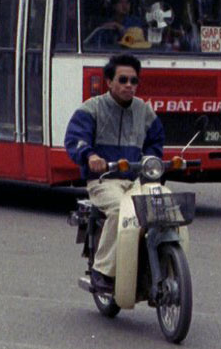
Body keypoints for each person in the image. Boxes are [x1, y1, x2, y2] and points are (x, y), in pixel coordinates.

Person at [64, 53, 165, 293]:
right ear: (109, 82)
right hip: (104, 181)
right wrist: (91, 156)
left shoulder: (144, 111)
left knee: (163, 208)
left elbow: (156, 142)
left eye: (133, 81)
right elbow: (74, 140)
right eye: (123, 80)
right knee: (122, 211)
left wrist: (151, 160)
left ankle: (160, 267)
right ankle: (102, 270)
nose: (129, 86)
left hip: (136, 180)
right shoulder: (92, 108)